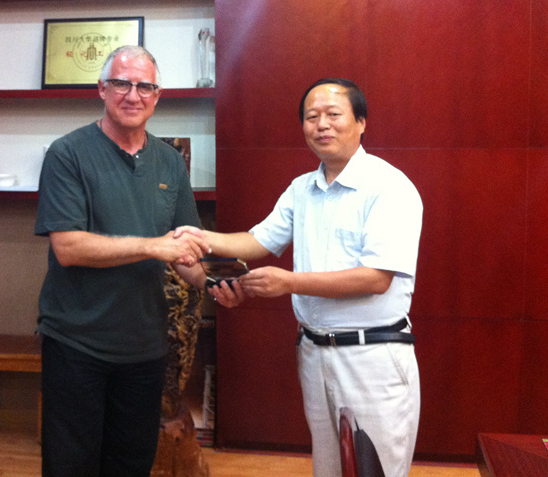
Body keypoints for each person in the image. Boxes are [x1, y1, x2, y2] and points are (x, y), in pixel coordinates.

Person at [177, 78, 423, 477]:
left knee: (373, 469)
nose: (321, 124)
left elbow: (376, 278)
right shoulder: (302, 189)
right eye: (311, 117)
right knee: (328, 468)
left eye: (333, 114)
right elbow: (256, 241)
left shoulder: (389, 187)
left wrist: (289, 282)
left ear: (361, 122)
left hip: (371, 356)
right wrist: (197, 237)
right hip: (314, 352)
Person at [34, 45, 241, 477]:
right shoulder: (67, 154)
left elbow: (183, 248)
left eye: (145, 86)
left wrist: (214, 285)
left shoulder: (169, 161)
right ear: (101, 89)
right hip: (77, 342)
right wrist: (152, 246)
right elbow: (68, 248)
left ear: (157, 95)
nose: (133, 95)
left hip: (145, 345)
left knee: (132, 462)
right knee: (71, 465)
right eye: (121, 84)